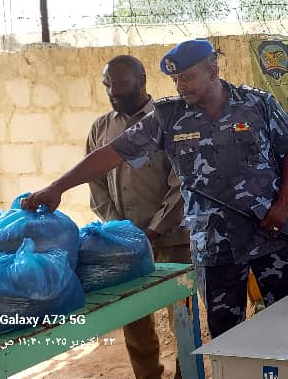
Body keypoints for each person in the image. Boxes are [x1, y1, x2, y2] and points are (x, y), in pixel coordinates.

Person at [23, 39, 288, 338]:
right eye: (175, 80)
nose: (181, 86)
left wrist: (282, 205)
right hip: (215, 245)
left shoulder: (257, 104)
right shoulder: (168, 117)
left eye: (188, 77)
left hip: (271, 233)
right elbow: (112, 153)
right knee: (226, 336)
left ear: (212, 71)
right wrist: (57, 187)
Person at [87, 55, 189, 379]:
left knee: (182, 316)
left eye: (120, 84)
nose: (113, 92)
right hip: (125, 244)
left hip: (172, 238)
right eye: (107, 85)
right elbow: (95, 184)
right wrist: (118, 229)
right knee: (134, 318)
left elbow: (182, 182)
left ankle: (187, 373)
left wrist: (154, 230)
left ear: (142, 80)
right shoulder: (101, 127)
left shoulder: (169, 120)